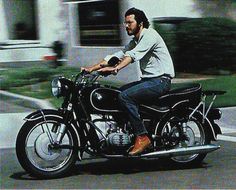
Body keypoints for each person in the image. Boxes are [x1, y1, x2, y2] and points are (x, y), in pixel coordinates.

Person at [81, 7, 175, 156]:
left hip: (160, 81)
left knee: (125, 96)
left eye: (129, 22)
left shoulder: (150, 35)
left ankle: (142, 136)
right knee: (118, 93)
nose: (126, 26)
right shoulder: (135, 41)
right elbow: (117, 55)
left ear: (140, 23)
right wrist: (91, 69)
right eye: (125, 23)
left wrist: (115, 69)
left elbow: (132, 56)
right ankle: (126, 133)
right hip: (149, 81)